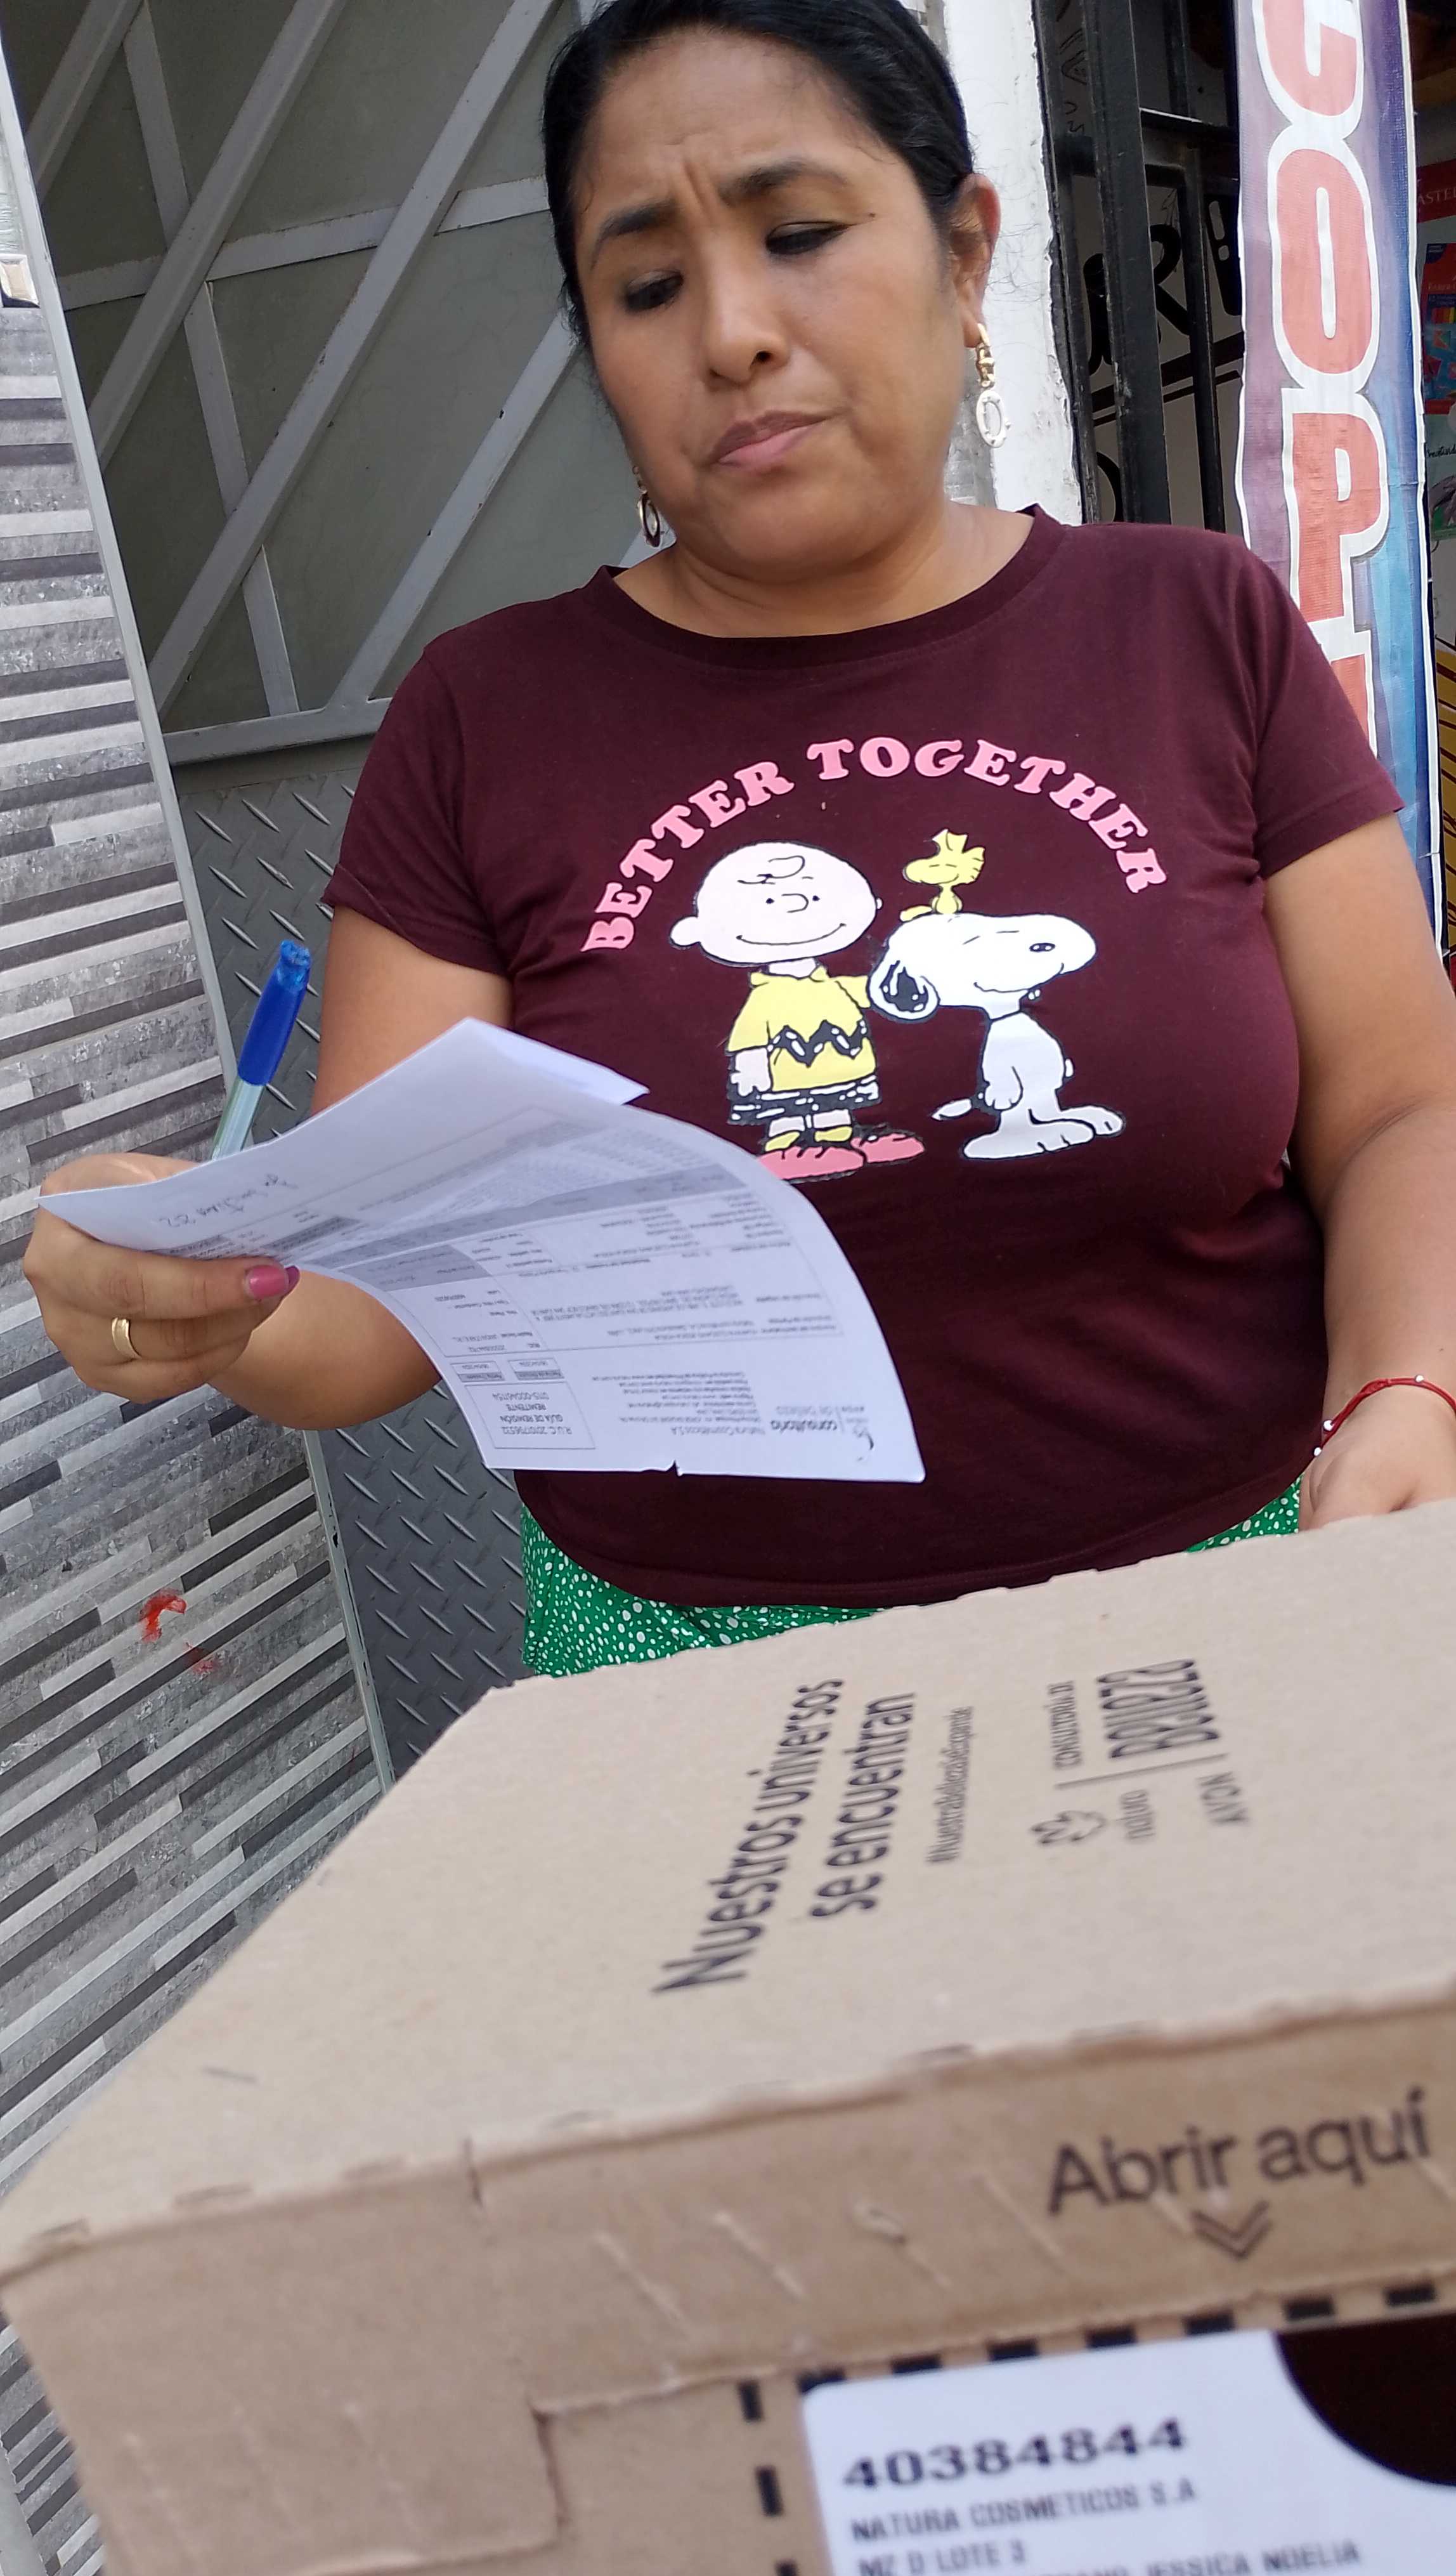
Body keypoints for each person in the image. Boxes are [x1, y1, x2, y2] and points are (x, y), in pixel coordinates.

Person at [25, 0, 1456, 1679]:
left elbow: (1401, 1107)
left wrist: (1411, 1389)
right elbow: (385, 1299)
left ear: (964, 249)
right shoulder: (487, 720)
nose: (732, 334)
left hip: (1239, 1592)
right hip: (693, 1676)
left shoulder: (1199, 626)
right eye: (646, 285)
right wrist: (199, 1282)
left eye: (800, 233)